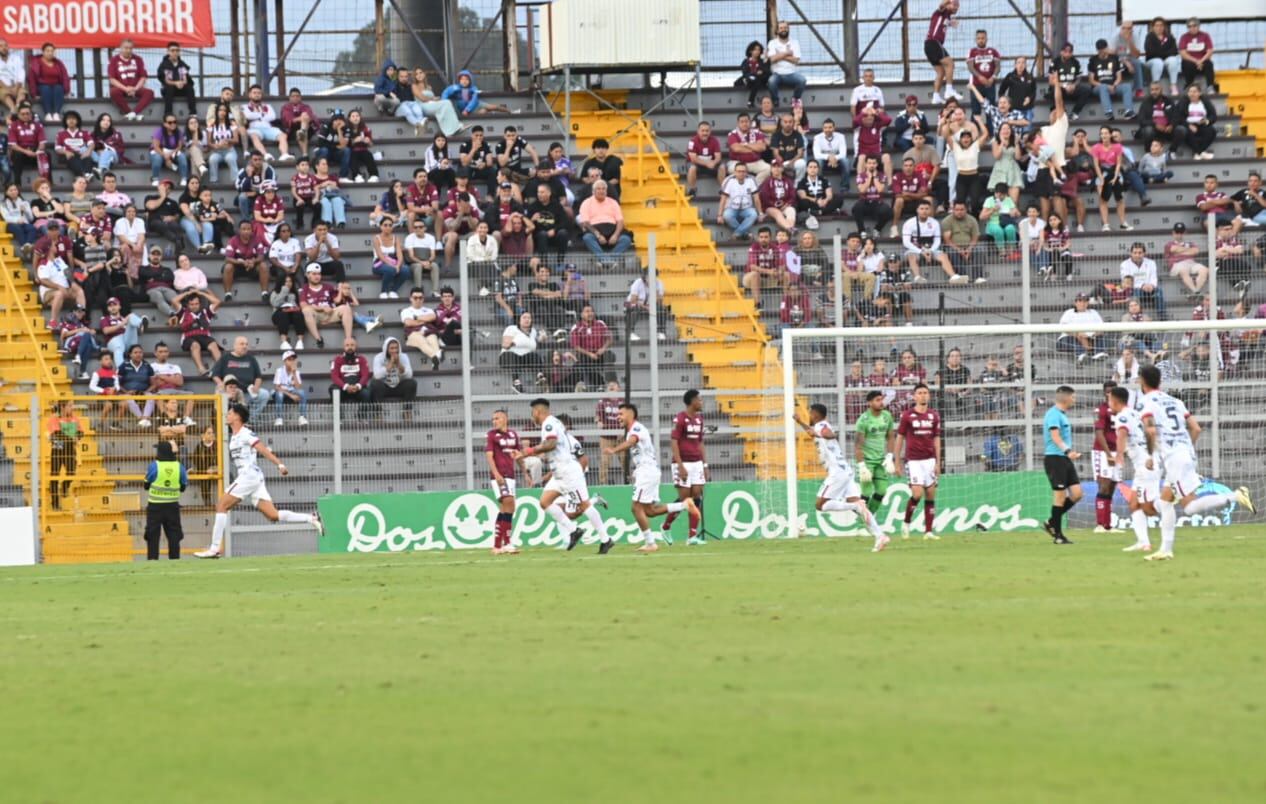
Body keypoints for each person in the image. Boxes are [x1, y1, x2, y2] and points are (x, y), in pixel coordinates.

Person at [1137, 364, 1254, 561]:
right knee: (1165, 502)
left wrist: (1150, 456)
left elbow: (1150, 431)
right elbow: (1196, 428)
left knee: (1189, 507)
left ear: (1142, 381)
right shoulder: (1174, 401)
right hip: (1184, 454)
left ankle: (1235, 496)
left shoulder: (1145, 402)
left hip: (1175, 459)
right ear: (1159, 381)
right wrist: (1185, 449)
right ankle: (1166, 549)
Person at [194, 403, 322, 558]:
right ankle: (312, 518)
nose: (226, 415)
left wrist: (279, 464)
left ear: (237, 417)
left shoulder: (246, 433)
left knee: (221, 505)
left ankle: (214, 548)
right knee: (272, 515)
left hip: (249, 476)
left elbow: (263, 449)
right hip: (253, 478)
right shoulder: (234, 435)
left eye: (229, 413)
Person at [513, 398, 612, 552]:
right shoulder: (555, 423)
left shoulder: (549, 423)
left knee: (583, 506)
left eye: (532, 413)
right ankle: (574, 531)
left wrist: (527, 451)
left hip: (567, 471)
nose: (532, 416)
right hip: (559, 473)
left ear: (537, 411)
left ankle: (606, 539)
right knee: (545, 502)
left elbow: (550, 444)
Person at [603, 402, 699, 554]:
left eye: (621, 414)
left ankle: (650, 543)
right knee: (650, 511)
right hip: (648, 471)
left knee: (636, 508)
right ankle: (685, 505)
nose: (618, 416)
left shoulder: (636, 428)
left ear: (630, 413)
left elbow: (631, 442)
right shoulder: (631, 430)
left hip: (647, 471)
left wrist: (614, 450)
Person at [1108, 385, 1159, 552]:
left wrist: (1119, 456)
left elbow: (1122, 434)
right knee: (1134, 504)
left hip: (1146, 466)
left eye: (1109, 399)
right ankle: (1144, 543)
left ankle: (1173, 500)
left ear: (1115, 401)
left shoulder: (1121, 417)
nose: (1108, 402)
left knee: (1149, 508)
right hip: (1146, 464)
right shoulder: (1135, 414)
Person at [894, 384, 942, 539]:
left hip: (929, 460)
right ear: (914, 396)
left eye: (925, 393)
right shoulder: (907, 416)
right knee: (917, 493)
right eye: (919, 393)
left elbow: (936, 439)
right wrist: (897, 461)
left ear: (929, 396)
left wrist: (938, 462)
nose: (922, 395)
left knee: (930, 494)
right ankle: (906, 523)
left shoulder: (934, 415)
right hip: (913, 460)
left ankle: (928, 531)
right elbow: (900, 437)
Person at [661, 389, 707, 545]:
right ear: (692, 401)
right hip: (683, 463)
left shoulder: (700, 420)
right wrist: (680, 465)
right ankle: (666, 526)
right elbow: (673, 442)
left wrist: (705, 465)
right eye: (699, 400)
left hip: (697, 463)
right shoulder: (679, 419)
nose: (701, 402)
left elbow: (700, 442)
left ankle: (692, 536)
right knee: (685, 499)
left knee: (696, 497)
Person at [1041, 386, 1081, 545]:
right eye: (1073, 396)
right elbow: (1055, 437)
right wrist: (1068, 451)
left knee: (1077, 494)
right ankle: (1058, 536)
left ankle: (1051, 521)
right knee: (1059, 497)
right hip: (1055, 459)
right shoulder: (1053, 414)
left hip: (1064, 459)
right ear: (1066, 398)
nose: (1074, 399)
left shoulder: (1061, 415)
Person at [485, 409, 527, 554]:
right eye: (493, 419)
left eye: (497, 418)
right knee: (509, 503)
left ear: (505, 419)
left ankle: (497, 546)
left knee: (505, 508)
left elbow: (519, 456)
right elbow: (489, 456)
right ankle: (507, 543)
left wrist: (525, 473)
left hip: (511, 476)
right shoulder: (492, 435)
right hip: (499, 476)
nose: (494, 421)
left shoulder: (513, 435)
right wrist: (496, 473)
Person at [854, 390, 897, 516]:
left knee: (882, 491)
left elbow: (890, 437)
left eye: (881, 399)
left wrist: (889, 457)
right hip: (867, 461)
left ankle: (868, 519)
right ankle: (860, 521)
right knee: (866, 494)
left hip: (881, 460)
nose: (881, 402)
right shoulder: (864, 420)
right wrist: (861, 466)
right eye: (877, 400)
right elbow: (857, 445)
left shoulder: (887, 416)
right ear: (869, 403)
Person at [142, 440, 187, 560]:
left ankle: (152, 561)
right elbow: (183, 486)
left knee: (152, 536)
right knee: (174, 536)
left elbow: (146, 485)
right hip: (172, 506)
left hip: (155, 507)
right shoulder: (179, 466)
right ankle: (175, 561)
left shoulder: (154, 466)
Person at [902, 200, 963, 283]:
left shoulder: (934, 223)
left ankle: (953, 276)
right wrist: (921, 252)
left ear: (930, 210)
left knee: (943, 255)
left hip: (931, 249)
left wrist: (930, 251)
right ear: (917, 210)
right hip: (915, 250)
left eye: (927, 209)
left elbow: (937, 240)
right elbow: (906, 242)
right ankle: (917, 277)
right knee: (911, 256)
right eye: (922, 209)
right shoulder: (909, 223)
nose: (924, 211)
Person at [1090, 380, 1122, 534]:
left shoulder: (1121, 410)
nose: (1110, 394)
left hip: (1117, 452)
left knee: (1111, 488)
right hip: (1102, 452)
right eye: (1107, 391)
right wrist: (1109, 454)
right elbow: (1099, 433)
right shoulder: (1100, 410)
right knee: (1103, 485)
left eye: (1112, 391)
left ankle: (1108, 525)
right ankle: (1100, 524)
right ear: (1104, 392)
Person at [212, 336, 270, 420]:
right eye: (242, 344)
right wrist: (221, 385)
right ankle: (225, 422)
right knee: (219, 393)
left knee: (264, 394)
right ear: (235, 345)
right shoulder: (225, 358)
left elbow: (258, 377)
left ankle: (250, 419)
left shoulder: (251, 358)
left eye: (246, 344)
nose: (245, 346)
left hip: (247, 393)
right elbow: (215, 375)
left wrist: (256, 387)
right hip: (231, 392)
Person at [577, 180, 632, 258]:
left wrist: (615, 235)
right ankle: (606, 260)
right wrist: (598, 235)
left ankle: (609, 260)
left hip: (612, 230)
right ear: (593, 191)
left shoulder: (613, 202)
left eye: (603, 189)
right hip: (594, 231)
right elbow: (585, 223)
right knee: (587, 238)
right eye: (598, 189)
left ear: (606, 191)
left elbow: (620, 221)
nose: (601, 191)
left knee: (626, 239)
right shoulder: (586, 203)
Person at [242, 84, 293, 162]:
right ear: (250, 94)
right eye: (254, 93)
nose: (257, 95)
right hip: (254, 128)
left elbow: (272, 117)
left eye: (259, 93)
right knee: (254, 136)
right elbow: (248, 116)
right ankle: (265, 155)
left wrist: (256, 116)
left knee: (283, 135)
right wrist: (262, 115)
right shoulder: (244, 107)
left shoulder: (268, 106)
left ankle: (284, 154)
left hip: (268, 128)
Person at [46, 399, 81, 510]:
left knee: (71, 472)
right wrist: (72, 438)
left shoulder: (75, 418)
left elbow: (81, 432)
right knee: (54, 475)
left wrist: (77, 437)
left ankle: (65, 486)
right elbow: (57, 433)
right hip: (58, 449)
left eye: (72, 406)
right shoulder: (54, 419)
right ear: (62, 407)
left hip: (70, 449)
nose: (72, 408)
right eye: (70, 406)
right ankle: (55, 503)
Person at [925, 0, 962, 103]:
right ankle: (949, 90)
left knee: (941, 72)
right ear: (948, 4)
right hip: (933, 42)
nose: (956, 8)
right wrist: (948, 2)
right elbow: (942, 4)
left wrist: (951, 23)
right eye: (954, 5)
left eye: (957, 6)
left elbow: (944, 24)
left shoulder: (947, 17)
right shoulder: (941, 11)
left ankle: (936, 96)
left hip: (930, 45)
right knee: (950, 64)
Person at [1088, 39, 1132, 121]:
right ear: (1097, 50)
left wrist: (1114, 85)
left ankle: (1129, 111)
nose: (1102, 51)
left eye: (1103, 49)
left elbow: (1119, 77)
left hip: (1114, 85)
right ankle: (1108, 112)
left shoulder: (1114, 58)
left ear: (1107, 48)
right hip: (1099, 87)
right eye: (1100, 50)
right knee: (1103, 87)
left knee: (1127, 86)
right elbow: (1091, 80)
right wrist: (1106, 86)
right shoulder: (1093, 60)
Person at [941, 201, 985, 282]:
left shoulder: (972, 220)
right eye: (957, 210)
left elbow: (975, 237)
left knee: (979, 250)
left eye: (962, 209)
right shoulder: (946, 221)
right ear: (953, 210)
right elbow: (947, 240)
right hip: (953, 247)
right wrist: (959, 250)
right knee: (952, 252)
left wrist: (969, 249)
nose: (959, 212)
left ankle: (978, 277)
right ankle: (962, 277)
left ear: (966, 210)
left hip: (969, 246)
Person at [1171, 83, 1217, 160]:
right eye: (1190, 92)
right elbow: (1178, 117)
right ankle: (1200, 152)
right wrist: (1188, 125)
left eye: (1195, 92)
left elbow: (1213, 115)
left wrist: (1206, 121)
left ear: (1200, 93)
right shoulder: (1184, 101)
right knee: (1185, 130)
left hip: (1201, 124)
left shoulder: (1205, 101)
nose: (1192, 94)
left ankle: (1198, 152)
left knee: (1212, 131)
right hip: (1187, 124)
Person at [1120, 242, 1166, 320]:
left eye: (1140, 253)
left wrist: (1151, 286)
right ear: (1131, 253)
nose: (1137, 255)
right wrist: (1142, 285)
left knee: (1159, 292)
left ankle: (1162, 318)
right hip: (1134, 290)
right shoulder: (1124, 264)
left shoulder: (1151, 263)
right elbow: (1127, 283)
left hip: (1149, 290)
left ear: (1144, 253)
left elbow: (1154, 279)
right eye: (1135, 253)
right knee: (1136, 292)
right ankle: (1136, 318)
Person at [765, 21, 805, 107]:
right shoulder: (772, 43)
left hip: (791, 73)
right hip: (777, 74)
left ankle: (795, 99)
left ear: (788, 29)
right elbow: (772, 59)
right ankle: (775, 101)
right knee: (771, 81)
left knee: (802, 80)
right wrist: (787, 53)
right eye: (781, 28)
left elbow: (796, 60)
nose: (784, 30)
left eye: (785, 28)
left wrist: (780, 55)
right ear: (777, 30)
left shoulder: (795, 42)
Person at [28, 43, 70, 122]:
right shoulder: (36, 63)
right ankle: (48, 113)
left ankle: (56, 113)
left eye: (52, 51)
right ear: (43, 52)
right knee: (46, 89)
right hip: (42, 86)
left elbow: (65, 77)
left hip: (56, 86)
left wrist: (66, 91)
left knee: (59, 88)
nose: (50, 53)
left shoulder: (58, 63)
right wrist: (34, 94)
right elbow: (32, 79)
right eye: (47, 51)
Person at [718, 162, 759, 239]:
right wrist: (719, 215)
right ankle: (745, 234)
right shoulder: (729, 180)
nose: (741, 173)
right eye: (739, 171)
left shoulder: (751, 180)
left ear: (746, 172)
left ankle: (737, 234)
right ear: (735, 172)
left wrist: (760, 213)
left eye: (743, 171)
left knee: (754, 214)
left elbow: (756, 198)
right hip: (731, 208)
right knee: (726, 215)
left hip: (747, 208)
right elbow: (723, 199)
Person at [269, 348, 308, 428]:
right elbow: (277, 387)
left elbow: (298, 387)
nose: (292, 361)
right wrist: (291, 396)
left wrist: (294, 373)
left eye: (293, 359)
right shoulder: (279, 370)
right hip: (281, 391)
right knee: (279, 394)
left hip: (291, 391)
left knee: (302, 393)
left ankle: (302, 417)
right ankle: (279, 418)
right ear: (284, 361)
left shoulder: (296, 372)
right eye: (289, 359)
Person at [157, 42, 197, 118]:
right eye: (172, 50)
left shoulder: (181, 64)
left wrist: (181, 83)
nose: (175, 53)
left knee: (189, 88)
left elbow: (185, 79)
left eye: (177, 50)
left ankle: (193, 112)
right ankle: (168, 112)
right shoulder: (165, 64)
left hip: (181, 88)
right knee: (169, 88)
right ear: (168, 52)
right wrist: (176, 83)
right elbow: (167, 81)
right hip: (170, 89)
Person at [685, 121, 723, 199]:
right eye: (702, 131)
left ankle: (723, 190)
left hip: (710, 165)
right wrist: (707, 163)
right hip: (697, 164)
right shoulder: (692, 141)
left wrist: (714, 162)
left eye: (707, 131)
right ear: (698, 131)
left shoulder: (714, 140)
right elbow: (693, 158)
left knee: (722, 167)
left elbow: (718, 157)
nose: (705, 133)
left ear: (710, 131)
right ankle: (692, 189)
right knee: (692, 168)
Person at [1144, 17, 1182, 94]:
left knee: (1173, 60)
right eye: (1157, 25)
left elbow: (1174, 51)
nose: (1159, 27)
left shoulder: (1169, 37)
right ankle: (1156, 86)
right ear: (1153, 27)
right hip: (1152, 61)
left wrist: (1161, 52)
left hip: (1166, 60)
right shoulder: (1149, 37)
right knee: (1158, 62)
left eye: (1161, 25)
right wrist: (1165, 52)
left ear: (1164, 27)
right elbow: (1150, 51)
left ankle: (1173, 85)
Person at [1178, 17, 1216, 91]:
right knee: (1186, 64)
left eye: (1194, 25)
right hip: (1191, 61)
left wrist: (1201, 61)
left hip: (1202, 61)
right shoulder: (1184, 37)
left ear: (1198, 26)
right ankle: (1189, 85)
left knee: (1209, 64)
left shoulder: (1205, 36)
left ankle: (1210, 86)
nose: (1192, 28)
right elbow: (1183, 53)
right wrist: (1196, 61)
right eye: (1189, 26)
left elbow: (1210, 51)